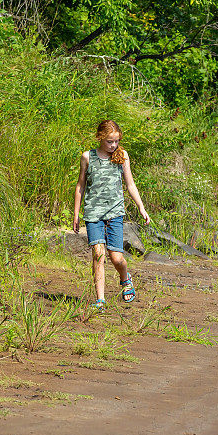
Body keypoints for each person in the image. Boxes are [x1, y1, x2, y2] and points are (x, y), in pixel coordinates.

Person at [73, 120, 150, 309]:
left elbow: (130, 185)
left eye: (116, 141)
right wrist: (76, 213)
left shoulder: (121, 156)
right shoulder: (87, 157)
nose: (113, 145)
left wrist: (141, 207)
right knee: (98, 254)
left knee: (116, 258)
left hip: (115, 213)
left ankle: (125, 278)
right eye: (109, 141)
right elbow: (80, 186)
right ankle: (100, 300)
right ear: (100, 138)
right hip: (93, 214)